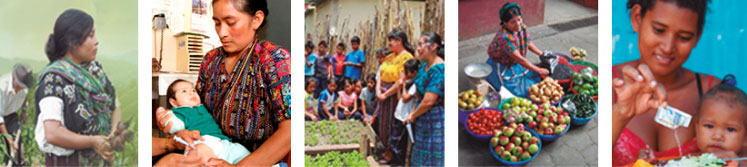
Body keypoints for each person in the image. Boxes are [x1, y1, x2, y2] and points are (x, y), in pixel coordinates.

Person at [157, 0, 291, 166]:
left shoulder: (274, 60)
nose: (222, 33)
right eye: (217, 23)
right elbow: (197, 109)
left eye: (231, 23)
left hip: (256, 160)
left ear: (256, 19)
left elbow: (290, 129)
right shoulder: (210, 61)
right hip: (210, 150)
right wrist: (176, 124)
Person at [611, 0, 716, 165]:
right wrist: (620, 113)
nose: (668, 47)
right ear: (637, 17)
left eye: (684, 37)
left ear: (697, 36)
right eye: (659, 30)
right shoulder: (608, 83)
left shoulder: (715, 93)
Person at [35, 9, 121, 166]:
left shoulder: (95, 72)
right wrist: (92, 141)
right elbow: (52, 132)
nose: (96, 41)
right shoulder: (54, 79)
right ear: (72, 42)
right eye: (90, 35)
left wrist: (112, 136)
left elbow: (114, 105)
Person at [157, 79, 251, 164]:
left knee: (243, 153)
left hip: (223, 143)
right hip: (200, 143)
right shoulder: (179, 111)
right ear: (173, 102)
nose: (191, 93)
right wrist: (162, 113)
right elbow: (174, 126)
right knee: (199, 156)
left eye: (193, 90)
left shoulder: (202, 106)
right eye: (184, 91)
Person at [485, 2, 549, 98]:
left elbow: (528, 43)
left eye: (519, 19)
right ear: (505, 23)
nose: (517, 24)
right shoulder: (504, 38)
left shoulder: (522, 27)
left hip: (515, 61)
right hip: (501, 64)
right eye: (512, 22)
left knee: (534, 77)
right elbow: (520, 59)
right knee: (519, 91)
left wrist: (542, 54)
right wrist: (538, 70)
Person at [403, 32, 445, 166]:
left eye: (421, 45)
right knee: (419, 158)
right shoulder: (423, 67)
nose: (418, 49)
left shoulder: (438, 70)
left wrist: (413, 115)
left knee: (433, 158)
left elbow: (429, 101)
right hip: (422, 119)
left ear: (433, 46)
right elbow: (419, 95)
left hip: (435, 122)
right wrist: (413, 113)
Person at [376, 29, 415, 164]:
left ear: (400, 41)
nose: (389, 43)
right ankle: (386, 150)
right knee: (382, 124)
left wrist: (386, 94)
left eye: (391, 40)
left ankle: (392, 154)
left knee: (392, 125)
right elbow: (380, 73)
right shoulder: (390, 56)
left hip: (393, 94)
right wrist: (378, 91)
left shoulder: (407, 57)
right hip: (382, 93)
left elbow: (400, 80)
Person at [690, 84, 747, 159]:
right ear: (696, 126)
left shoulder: (743, 162)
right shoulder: (688, 161)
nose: (717, 136)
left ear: (745, 137)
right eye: (709, 126)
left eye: (730, 129)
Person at [0, 63, 33, 155]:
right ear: (13, 77)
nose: (21, 88)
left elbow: (24, 98)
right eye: (20, 85)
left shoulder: (24, 87)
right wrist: (8, 139)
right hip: (0, 117)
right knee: (8, 144)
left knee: (17, 147)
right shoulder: (2, 87)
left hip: (11, 115)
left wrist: (24, 112)